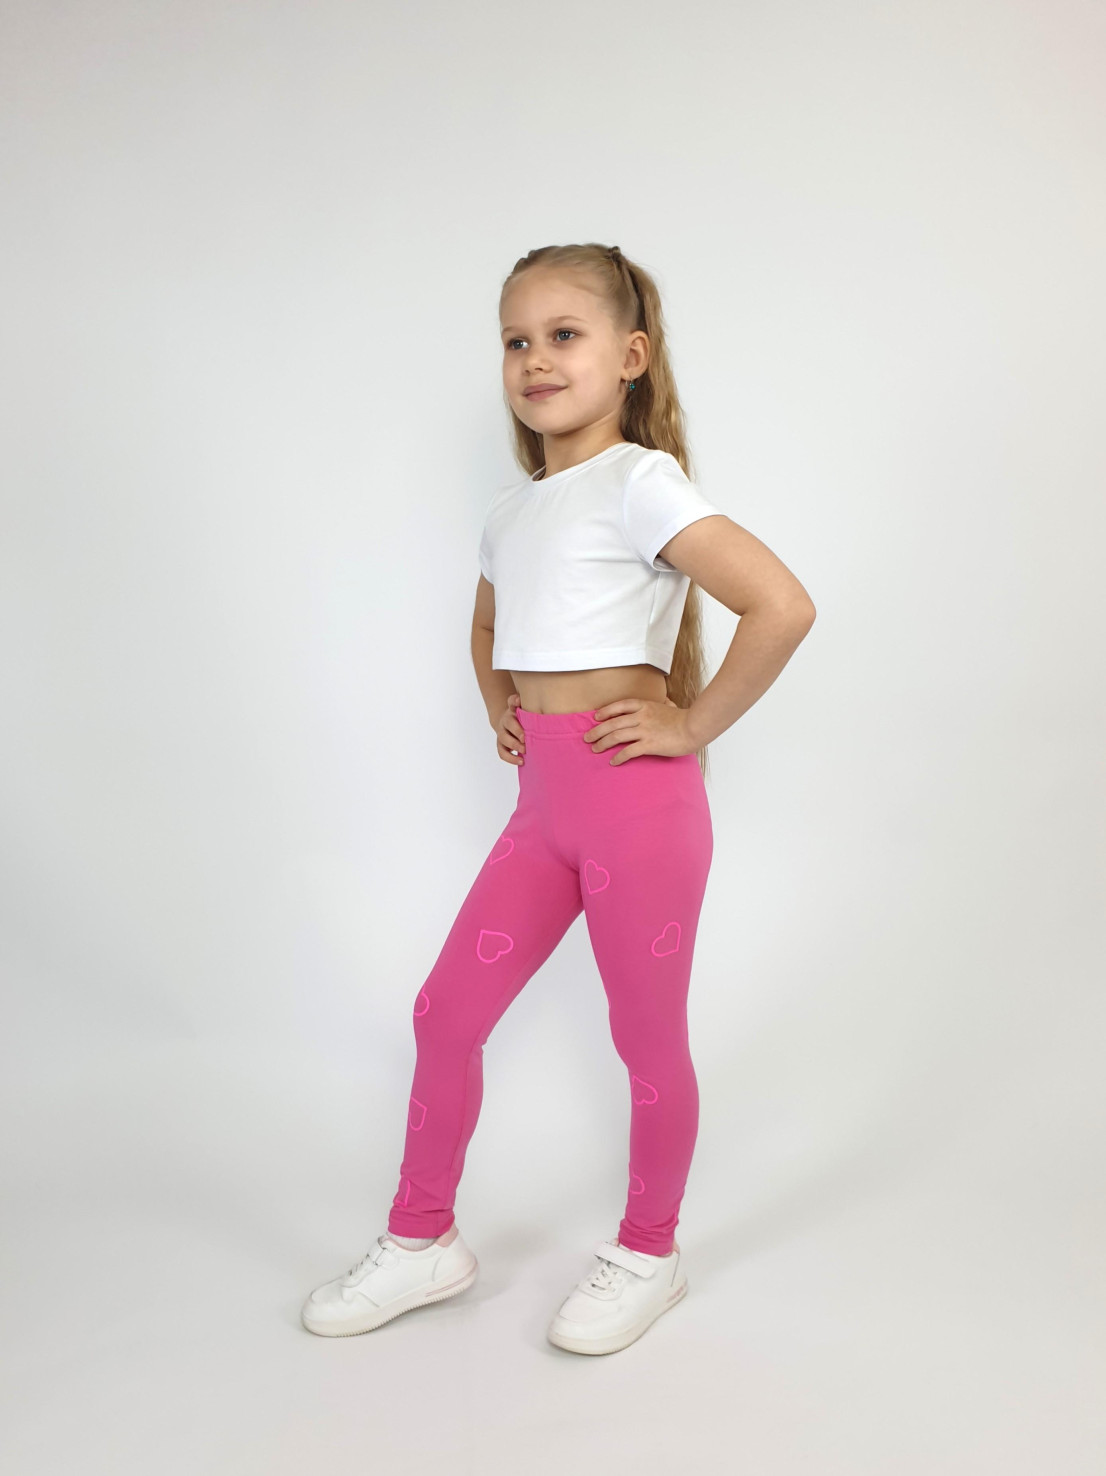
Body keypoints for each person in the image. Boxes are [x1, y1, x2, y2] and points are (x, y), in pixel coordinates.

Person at [301, 241, 816, 1354]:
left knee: (644, 1039)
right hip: (543, 810)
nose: (535, 358)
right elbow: (488, 623)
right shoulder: (513, 510)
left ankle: (648, 1252)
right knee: (444, 1014)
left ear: (630, 356)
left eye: (563, 335)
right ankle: (423, 1238)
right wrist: (504, 706)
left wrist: (690, 724)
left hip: (638, 806)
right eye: (516, 340)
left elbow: (780, 604)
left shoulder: (640, 483)